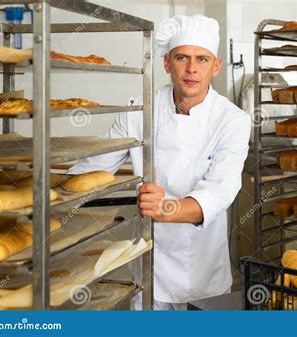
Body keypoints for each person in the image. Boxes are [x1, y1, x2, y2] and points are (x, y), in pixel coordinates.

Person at [68, 14, 251, 310]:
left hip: (203, 270)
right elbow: (94, 168)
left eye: (202, 59)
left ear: (216, 67)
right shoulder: (138, 110)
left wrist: (169, 208)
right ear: (167, 62)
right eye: (182, 57)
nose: (192, 68)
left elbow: (222, 188)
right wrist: (40, 193)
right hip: (151, 263)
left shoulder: (232, 120)